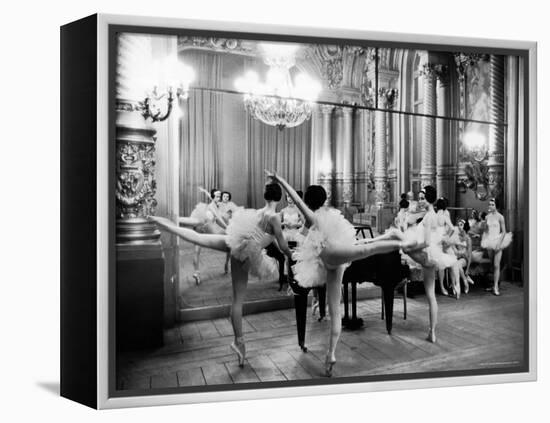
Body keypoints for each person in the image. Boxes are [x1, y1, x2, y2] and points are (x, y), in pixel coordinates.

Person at [266, 170, 421, 377]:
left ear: (308, 202)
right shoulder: (315, 219)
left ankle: (398, 240)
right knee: (335, 309)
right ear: (323, 199)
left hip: (332, 259)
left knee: (366, 248)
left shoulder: (313, 217)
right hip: (331, 263)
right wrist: (291, 251)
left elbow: (295, 198)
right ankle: (330, 354)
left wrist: (281, 180)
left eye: (304, 202)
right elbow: (302, 237)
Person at [150, 182, 293, 368]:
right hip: (245, 252)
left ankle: (163, 223)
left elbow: (256, 233)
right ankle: (239, 343)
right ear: (280, 198)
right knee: (237, 301)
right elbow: (282, 245)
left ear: (265, 196)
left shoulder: (259, 211)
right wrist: (292, 256)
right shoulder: (274, 216)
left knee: (199, 239)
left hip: (237, 241)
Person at [401, 186, 457, 343]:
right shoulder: (433, 215)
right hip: (434, 256)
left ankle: (432, 331)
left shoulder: (428, 217)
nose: (420, 201)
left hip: (427, 255)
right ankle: (432, 332)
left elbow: (425, 243)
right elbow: (436, 236)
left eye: (422, 198)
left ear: (429, 199)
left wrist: (409, 249)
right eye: (419, 198)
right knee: (431, 296)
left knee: (403, 248)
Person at [181, 188, 227, 285]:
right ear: (214, 197)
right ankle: (196, 272)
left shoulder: (214, 204)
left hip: (203, 228)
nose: (219, 198)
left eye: (220, 196)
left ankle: (196, 273)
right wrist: (227, 228)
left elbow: (211, 198)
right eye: (217, 196)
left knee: (197, 251)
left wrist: (205, 191)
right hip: (204, 227)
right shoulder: (212, 206)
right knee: (197, 251)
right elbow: (218, 219)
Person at [481, 198, 513, 296]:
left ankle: (495, 287)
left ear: (496, 206)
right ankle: (494, 284)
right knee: (492, 264)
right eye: (489, 204)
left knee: (496, 265)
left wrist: (499, 243)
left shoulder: (500, 217)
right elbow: (486, 230)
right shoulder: (487, 217)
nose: (490, 206)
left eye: (492, 204)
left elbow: (503, 231)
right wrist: (484, 234)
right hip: (489, 241)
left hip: (498, 240)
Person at [434, 197, 461, 298]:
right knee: (452, 261)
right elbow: (453, 229)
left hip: (437, 242)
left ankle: (445, 286)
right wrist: (447, 237)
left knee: (443, 265)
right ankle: (455, 285)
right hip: (443, 241)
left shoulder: (434, 216)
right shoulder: (445, 215)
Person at [219, 191, 240, 274]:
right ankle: (227, 263)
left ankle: (227, 263)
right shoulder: (219, 205)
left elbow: (237, 213)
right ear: (222, 197)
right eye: (224, 196)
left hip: (229, 227)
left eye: (227, 197)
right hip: (220, 227)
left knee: (230, 247)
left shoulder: (231, 205)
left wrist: (231, 215)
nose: (226, 198)